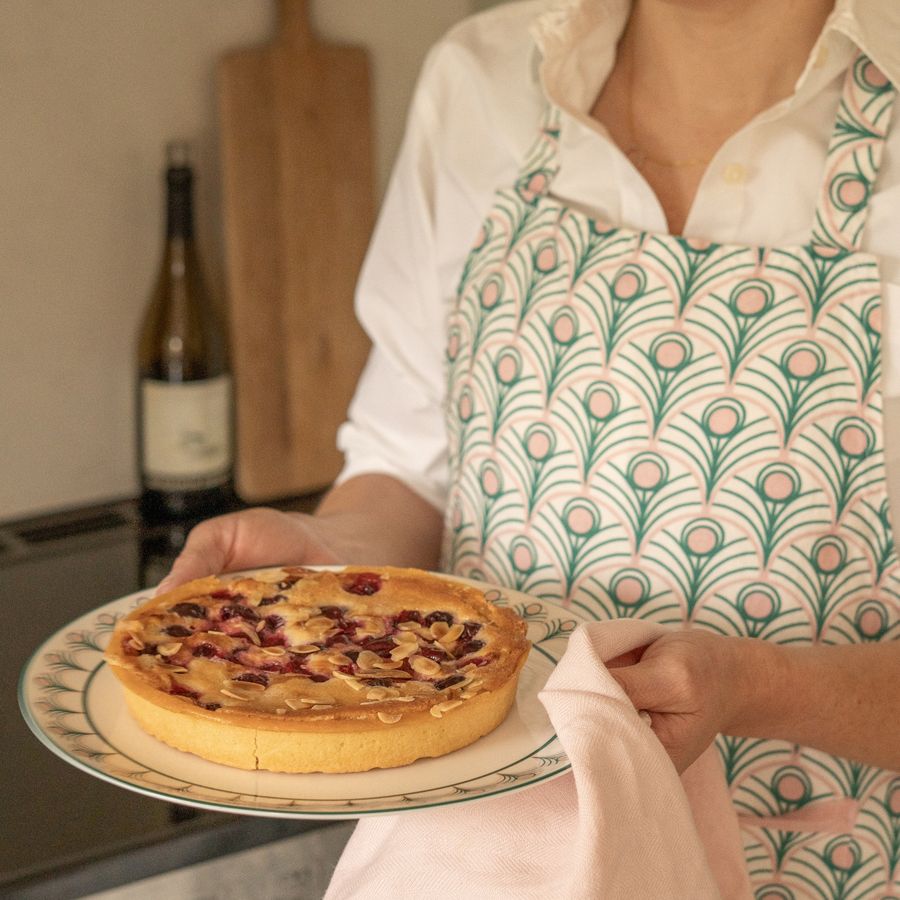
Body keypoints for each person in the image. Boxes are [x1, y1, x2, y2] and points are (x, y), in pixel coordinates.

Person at [158, 0, 900, 893]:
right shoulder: (483, 80)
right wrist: (333, 564)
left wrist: (755, 686)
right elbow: (410, 470)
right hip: (479, 871)